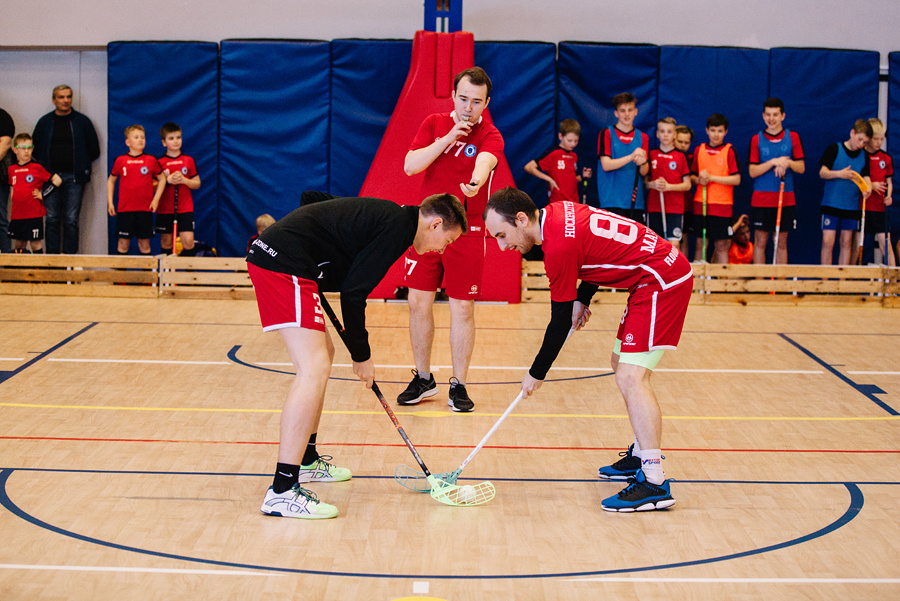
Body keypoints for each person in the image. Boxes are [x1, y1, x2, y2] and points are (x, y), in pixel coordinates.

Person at [246, 193, 466, 519]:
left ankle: (306, 461)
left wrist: (316, 255)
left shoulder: (395, 217)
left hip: (295, 263)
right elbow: (353, 293)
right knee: (314, 366)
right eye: (446, 240)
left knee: (324, 355)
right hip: (282, 262)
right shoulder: (396, 227)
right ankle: (282, 490)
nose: (441, 249)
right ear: (435, 223)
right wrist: (362, 356)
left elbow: (313, 200)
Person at [484, 187, 691, 512]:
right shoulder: (559, 213)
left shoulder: (556, 248)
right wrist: (583, 297)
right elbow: (599, 251)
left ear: (521, 219)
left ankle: (654, 480)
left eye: (501, 234)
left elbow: (559, 322)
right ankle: (640, 453)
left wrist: (536, 373)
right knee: (619, 363)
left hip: (661, 279)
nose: (501, 245)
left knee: (631, 377)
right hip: (647, 278)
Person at [398, 66, 505, 413]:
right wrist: (447, 140)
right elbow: (411, 166)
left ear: (486, 103)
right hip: (427, 228)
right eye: (463, 99)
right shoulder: (433, 124)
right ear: (453, 96)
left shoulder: (491, 135)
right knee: (418, 301)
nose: (468, 108)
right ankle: (424, 378)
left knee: (462, 307)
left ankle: (458, 384)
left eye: (476, 102)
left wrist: (475, 182)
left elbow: (485, 163)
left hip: (467, 230)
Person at [31, 84, 101, 254]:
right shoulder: (45, 122)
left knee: (71, 220)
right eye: (61, 97)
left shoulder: (82, 121)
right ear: (54, 100)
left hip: (75, 178)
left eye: (68, 97)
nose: (66, 101)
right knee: (52, 219)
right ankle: (53, 262)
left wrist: (81, 166)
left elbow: (94, 150)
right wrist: (48, 173)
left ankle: (71, 262)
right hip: (50, 179)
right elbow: (35, 150)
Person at [748, 98, 806, 265]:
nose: (771, 118)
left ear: (783, 116)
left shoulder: (793, 137)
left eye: (775, 115)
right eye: (768, 115)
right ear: (763, 116)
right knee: (760, 242)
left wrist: (787, 163)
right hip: (761, 199)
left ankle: (780, 287)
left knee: (781, 243)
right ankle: (761, 287)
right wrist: (774, 162)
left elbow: (801, 167)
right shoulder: (756, 139)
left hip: (785, 198)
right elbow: (752, 171)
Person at [818, 119, 872, 266]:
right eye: (860, 139)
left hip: (851, 206)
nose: (861, 144)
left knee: (846, 242)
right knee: (828, 242)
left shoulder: (864, 156)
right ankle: (825, 283)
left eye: (865, 142)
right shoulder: (834, 149)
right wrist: (839, 174)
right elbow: (822, 173)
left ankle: (842, 283)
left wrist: (868, 189)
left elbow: (867, 179)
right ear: (852, 133)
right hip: (831, 204)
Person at [107, 125, 165, 255]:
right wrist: (110, 202)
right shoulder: (121, 160)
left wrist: (156, 200)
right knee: (123, 243)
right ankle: (121, 275)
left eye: (143, 137)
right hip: (125, 209)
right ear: (128, 142)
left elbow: (162, 179)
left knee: (144, 244)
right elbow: (111, 180)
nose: (140, 140)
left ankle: (147, 275)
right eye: (136, 137)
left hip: (144, 209)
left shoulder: (151, 160)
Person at [691, 113, 741, 264]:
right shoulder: (699, 150)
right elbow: (691, 177)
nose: (716, 134)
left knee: (721, 245)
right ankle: (698, 284)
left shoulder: (729, 150)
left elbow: (736, 179)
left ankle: (722, 285)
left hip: (722, 206)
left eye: (720, 131)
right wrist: (699, 179)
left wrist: (712, 178)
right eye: (713, 130)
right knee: (701, 243)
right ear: (707, 130)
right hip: (701, 204)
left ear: (725, 132)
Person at [596, 92, 649, 220]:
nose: (626, 114)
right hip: (611, 200)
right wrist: (631, 156)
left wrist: (643, 162)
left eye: (630, 110)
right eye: (622, 110)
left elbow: (644, 171)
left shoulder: (642, 137)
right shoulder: (607, 133)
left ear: (636, 111)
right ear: (616, 113)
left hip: (635, 202)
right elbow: (606, 165)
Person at [6, 133, 62, 253]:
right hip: (17, 214)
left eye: (29, 148)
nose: (26, 151)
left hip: (33, 214)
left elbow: (57, 180)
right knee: (19, 243)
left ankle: (39, 269)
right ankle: (21, 270)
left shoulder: (37, 167)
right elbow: (12, 187)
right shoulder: (11, 169)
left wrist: (44, 195)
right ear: (15, 150)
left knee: (35, 242)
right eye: (23, 148)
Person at [156, 123, 201, 256]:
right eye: (171, 138)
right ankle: (167, 273)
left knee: (188, 241)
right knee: (166, 241)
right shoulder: (159, 162)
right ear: (164, 142)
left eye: (178, 137)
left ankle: (188, 274)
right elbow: (152, 186)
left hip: (185, 208)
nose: (176, 141)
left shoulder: (188, 160)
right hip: (165, 208)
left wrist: (184, 180)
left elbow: (197, 183)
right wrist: (166, 181)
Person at [645, 117, 691, 247]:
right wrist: (652, 184)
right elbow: (645, 182)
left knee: (674, 245)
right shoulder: (652, 154)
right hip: (654, 207)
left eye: (669, 132)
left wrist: (669, 187)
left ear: (675, 134)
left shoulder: (681, 156)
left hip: (674, 207)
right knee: (654, 245)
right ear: (657, 134)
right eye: (662, 131)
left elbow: (687, 184)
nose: (665, 135)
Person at [524, 118, 590, 205]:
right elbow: (529, 167)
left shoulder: (574, 156)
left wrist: (582, 176)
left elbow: (570, 179)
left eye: (576, 141)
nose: (573, 144)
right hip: (558, 202)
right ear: (560, 136)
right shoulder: (554, 154)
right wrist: (549, 179)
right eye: (569, 140)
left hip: (574, 202)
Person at [863, 118, 894, 265]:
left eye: (882, 139)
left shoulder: (886, 158)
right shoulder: (860, 155)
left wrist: (888, 196)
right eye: (876, 139)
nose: (879, 142)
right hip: (861, 207)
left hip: (879, 209)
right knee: (856, 243)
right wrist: (871, 185)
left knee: (885, 243)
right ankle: (850, 280)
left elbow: (889, 183)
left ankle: (893, 280)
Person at [674, 125, 695, 258]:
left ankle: (683, 269)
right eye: (679, 142)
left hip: (686, 205)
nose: (682, 145)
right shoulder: (666, 155)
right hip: (669, 205)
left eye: (686, 143)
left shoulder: (692, 157)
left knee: (684, 238)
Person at [0, 107, 15, 253]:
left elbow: (4, 144)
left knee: (0, 221)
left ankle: (4, 266)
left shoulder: (3, 117)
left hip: (0, 179)